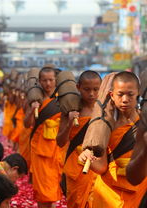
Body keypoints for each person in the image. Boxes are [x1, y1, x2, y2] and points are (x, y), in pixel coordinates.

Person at [79, 71, 147, 207]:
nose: (125, 99)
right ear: (112, 95)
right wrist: (86, 158)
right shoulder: (104, 126)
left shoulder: (144, 122)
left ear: (138, 94)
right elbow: (102, 167)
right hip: (108, 193)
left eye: (130, 94)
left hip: (138, 191)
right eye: (120, 94)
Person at [56, 70, 101, 208]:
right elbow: (60, 141)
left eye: (95, 89)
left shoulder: (105, 110)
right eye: (87, 89)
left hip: (98, 167)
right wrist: (70, 122)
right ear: (78, 87)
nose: (91, 94)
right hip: (76, 168)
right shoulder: (71, 109)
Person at [24, 65, 62, 208]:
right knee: (42, 190)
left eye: (51, 80)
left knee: (53, 189)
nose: (48, 84)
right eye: (44, 80)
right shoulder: (36, 99)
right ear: (39, 81)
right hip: (40, 151)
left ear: (55, 80)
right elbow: (27, 124)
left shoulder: (63, 99)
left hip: (57, 149)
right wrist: (32, 109)